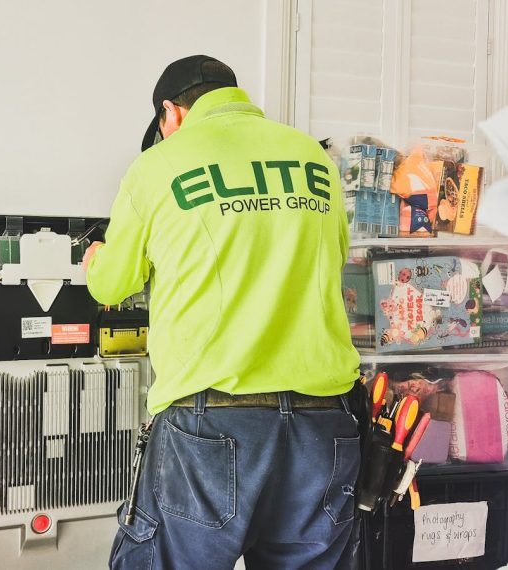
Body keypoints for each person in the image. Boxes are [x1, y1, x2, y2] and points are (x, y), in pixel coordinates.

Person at [82, 55, 362, 569]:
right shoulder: (311, 157)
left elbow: (113, 285)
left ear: (173, 113)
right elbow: (335, 257)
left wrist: (95, 259)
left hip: (213, 422)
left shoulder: (158, 166)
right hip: (325, 423)